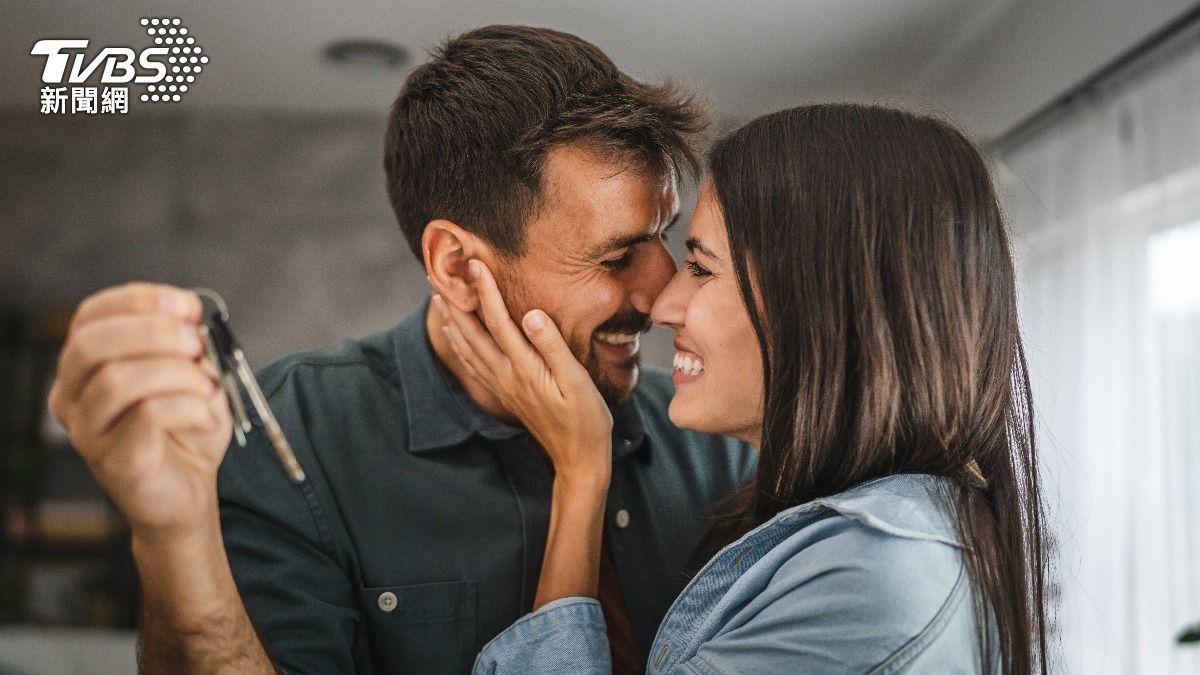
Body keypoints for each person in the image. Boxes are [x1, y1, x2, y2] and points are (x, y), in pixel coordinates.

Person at [46, 25, 756, 674]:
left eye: (663, 237)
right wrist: (170, 539)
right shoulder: (294, 434)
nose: (666, 296)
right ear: (454, 266)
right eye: (616, 256)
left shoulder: (712, 436)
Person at [438, 103, 1052, 673]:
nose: (664, 303)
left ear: (821, 308)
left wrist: (579, 475)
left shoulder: (871, 576)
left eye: (702, 269)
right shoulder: (846, 529)